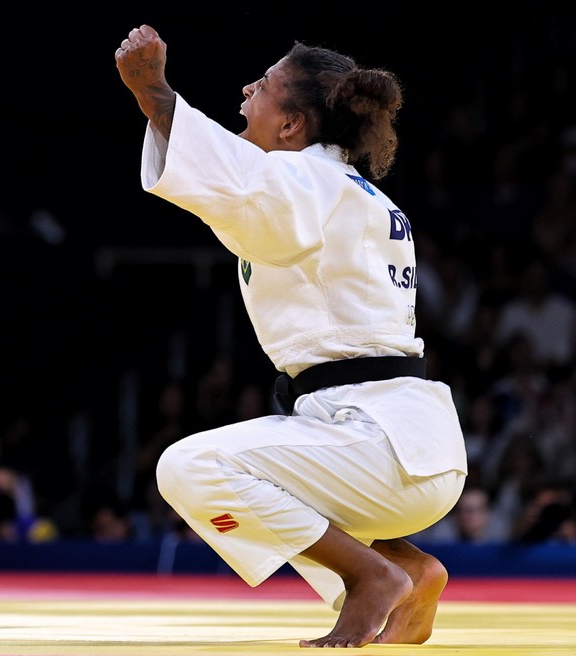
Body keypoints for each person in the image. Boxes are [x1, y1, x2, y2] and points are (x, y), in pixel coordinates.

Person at [115, 24, 468, 648]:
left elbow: (235, 183)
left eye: (266, 86)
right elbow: (237, 189)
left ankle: (368, 577)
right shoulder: (346, 193)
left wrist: (155, 94)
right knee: (262, 485)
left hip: (376, 445)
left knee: (191, 467)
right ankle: (405, 569)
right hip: (405, 447)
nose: (247, 89)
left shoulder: (310, 183)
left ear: (291, 126)